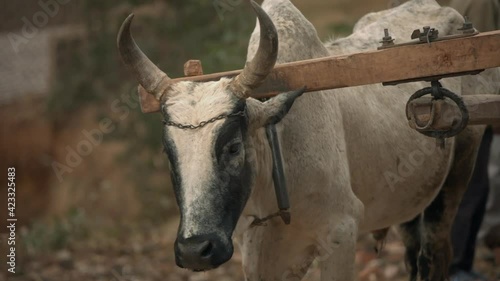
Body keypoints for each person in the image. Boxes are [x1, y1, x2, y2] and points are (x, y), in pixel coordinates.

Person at [447, 1, 500, 280]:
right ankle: (455, 267)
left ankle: (461, 264)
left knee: (474, 188)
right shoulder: (480, 2)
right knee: (469, 187)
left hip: (469, 103)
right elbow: (487, 55)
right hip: (472, 104)